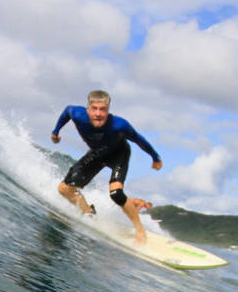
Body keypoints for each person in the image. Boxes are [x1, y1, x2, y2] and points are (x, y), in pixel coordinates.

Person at [51, 90, 163, 244]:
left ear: (108, 110)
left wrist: (155, 157)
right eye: (94, 108)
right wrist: (55, 132)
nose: (98, 113)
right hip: (97, 154)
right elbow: (66, 112)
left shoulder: (119, 125)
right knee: (64, 189)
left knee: (116, 193)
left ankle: (140, 230)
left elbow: (139, 139)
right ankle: (89, 213)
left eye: (102, 109)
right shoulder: (77, 114)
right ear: (88, 109)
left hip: (119, 154)